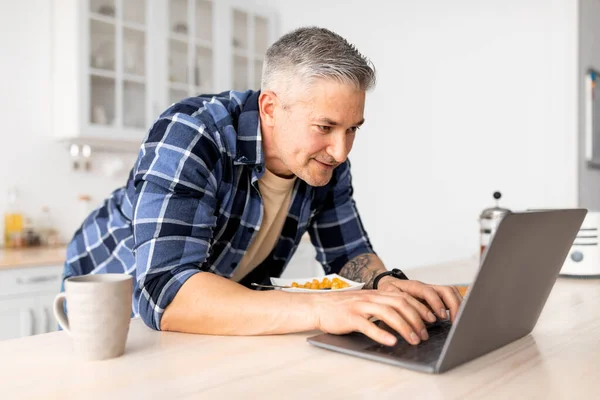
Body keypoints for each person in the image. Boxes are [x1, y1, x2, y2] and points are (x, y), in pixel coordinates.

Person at [63, 26, 463, 347]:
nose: (341, 151)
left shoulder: (324, 162)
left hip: (206, 316)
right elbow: (165, 293)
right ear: (270, 108)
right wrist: (322, 310)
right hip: (113, 312)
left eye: (352, 129)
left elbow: (348, 253)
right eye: (325, 127)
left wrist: (386, 284)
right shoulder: (192, 135)